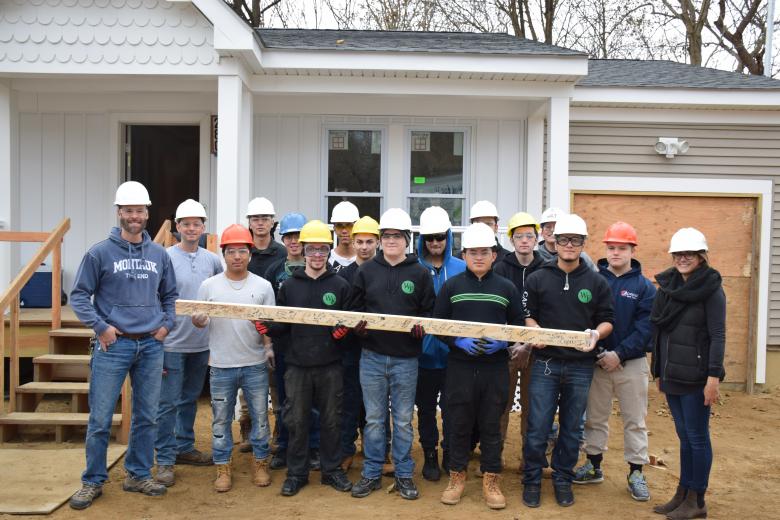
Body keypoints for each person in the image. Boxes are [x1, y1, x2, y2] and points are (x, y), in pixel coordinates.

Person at [69, 181, 178, 510]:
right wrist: (101, 327)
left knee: (147, 416)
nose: (135, 216)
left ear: (147, 213)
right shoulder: (99, 252)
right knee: (101, 418)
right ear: (119, 213)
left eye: (140, 210)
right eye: (128, 210)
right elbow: (78, 296)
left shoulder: (159, 254)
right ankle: (92, 481)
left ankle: (138, 474)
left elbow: (170, 296)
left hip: (150, 345)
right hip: (112, 347)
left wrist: (166, 325)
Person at [521, 213, 614, 509]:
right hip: (545, 364)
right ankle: (533, 480)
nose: (569, 245)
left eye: (575, 240)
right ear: (554, 242)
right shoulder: (538, 278)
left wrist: (596, 336)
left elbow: (608, 320)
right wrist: (534, 332)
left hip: (580, 366)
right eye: (564, 240)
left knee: (572, 427)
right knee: (538, 425)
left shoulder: (596, 282)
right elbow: (527, 314)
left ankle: (562, 478)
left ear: (583, 243)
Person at [258, 220, 353, 496]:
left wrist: (342, 333)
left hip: (330, 366)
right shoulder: (289, 286)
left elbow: (348, 328)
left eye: (322, 250)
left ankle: (331, 470)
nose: (316, 255)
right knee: (296, 420)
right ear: (304, 250)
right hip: (297, 366)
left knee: (332, 420)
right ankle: (297, 473)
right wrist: (268, 327)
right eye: (311, 249)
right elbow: (283, 325)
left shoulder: (340, 286)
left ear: (328, 251)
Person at [434, 223, 524, 510]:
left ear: (494, 255)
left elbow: (519, 326)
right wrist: (457, 341)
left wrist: (505, 342)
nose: (479, 257)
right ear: (464, 254)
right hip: (460, 365)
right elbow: (438, 325)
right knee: (458, 422)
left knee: (491, 424)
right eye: (473, 252)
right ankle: (457, 477)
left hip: (495, 367)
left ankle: (491, 479)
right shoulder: (452, 286)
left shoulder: (506, 288)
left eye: (485, 252)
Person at [348, 208, 435, 500]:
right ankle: (372, 472)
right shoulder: (366, 271)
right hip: (371, 356)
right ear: (380, 239)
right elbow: (354, 309)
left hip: (406, 360)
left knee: (400, 419)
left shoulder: (420, 273)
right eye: (386, 236)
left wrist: (421, 328)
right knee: (373, 419)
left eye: (397, 236)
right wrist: (358, 328)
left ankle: (404, 474)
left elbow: (428, 312)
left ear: (407, 240)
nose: (391, 240)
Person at [573, 222, 656, 502]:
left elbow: (645, 327)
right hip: (597, 362)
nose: (616, 252)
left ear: (632, 250)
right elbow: (584, 317)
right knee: (595, 418)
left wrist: (619, 353)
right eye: (611, 247)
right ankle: (594, 466)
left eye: (622, 248)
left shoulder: (645, 287)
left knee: (635, 420)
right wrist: (600, 353)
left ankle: (636, 472)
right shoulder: (593, 280)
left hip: (630, 363)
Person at [191, 224, 276, 493]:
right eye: (231, 251)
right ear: (223, 254)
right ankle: (222, 467)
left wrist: (269, 347)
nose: (237, 256)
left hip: (254, 364)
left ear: (250, 254)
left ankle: (260, 463)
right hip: (221, 365)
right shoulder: (209, 286)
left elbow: (268, 323)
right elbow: (200, 321)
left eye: (242, 251)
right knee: (220, 419)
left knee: (261, 418)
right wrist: (199, 320)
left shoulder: (262, 286)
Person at [650, 228, 725, 520]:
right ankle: (683, 492)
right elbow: (659, 332)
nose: (683, 258)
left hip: (696, 377)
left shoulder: (712, 290)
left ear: (701, 256)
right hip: (672, 374)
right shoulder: (668, 287)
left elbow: (718, 335)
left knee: (696, 436)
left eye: (689, 254)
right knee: (684, 436)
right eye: (678, 254)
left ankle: (698, 499)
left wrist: (713, 377)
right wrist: (658, 370)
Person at [154, 199, 223, 488]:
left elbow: (219, 293)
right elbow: (155, 295)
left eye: (197, 224)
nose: (192, 228)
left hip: (200, 343)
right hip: (171, 342)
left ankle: (184, 445)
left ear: (204, 228)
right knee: (167, 401)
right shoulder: (164, 257)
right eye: (186, 224)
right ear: (177, 228)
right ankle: (165, 458)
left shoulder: (212, 260)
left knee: (190, 398)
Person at [263, 213, 322, 472]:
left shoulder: (321, 269)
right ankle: (285, 446)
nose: (294, 241)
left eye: (299, 236)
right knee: (287, 400)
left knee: (315, 402)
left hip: (316, 346)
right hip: (285, 344)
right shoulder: (275, 270)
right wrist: (268, 341)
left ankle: (313, 447)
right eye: (289, 236)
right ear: (283, 239)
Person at [415, 206, 466, 481]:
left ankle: (449, 452)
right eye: (429, 238)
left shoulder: (461, 268)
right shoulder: (413, 268)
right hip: (422, 357)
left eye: (440, 237)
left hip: (453, 355)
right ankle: (430, 454)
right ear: (422, 239)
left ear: (448, 236)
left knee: (452, 409)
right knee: (424, 410)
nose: (435, 243)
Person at [493, 212, 545, 455]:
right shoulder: (500, 268)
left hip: (539, 348)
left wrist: (531, 342)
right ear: (511, 240)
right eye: (519, 236)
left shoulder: (547, 268)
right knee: (501, 403)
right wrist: (513, 341)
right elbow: (496, 308)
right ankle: (496, 454)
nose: (524, 240)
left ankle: (530, 457)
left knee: (532, 405)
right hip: (507, 348)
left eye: (529, 236)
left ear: (536, 239)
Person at [337, 216, 380, 472]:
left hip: (378, 348)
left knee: (374, 405)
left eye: (369, 242)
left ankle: (376, 450)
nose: (364, 247)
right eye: (360, 241)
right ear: (353, 242)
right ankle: (345, 450)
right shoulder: (344, 275)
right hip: (351, 350)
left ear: (377, 242)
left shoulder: (386, 272)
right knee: (349, 401)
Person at [244, 196, 286, 452]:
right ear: (249, 222)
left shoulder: (281, 253)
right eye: (255, 218)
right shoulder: (242, 250)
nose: (260, 223)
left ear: (273, 222)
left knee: (274, 384)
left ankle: (279, 435)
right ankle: (248, 431)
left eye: (264, 218)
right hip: (243, 327)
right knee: (246, 387)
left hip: (272, 329)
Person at [537, 207, 597, 271]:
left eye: (556, 226)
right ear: (542, 231)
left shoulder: (582, 257)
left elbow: (595, 278)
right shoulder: (535, 257)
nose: (552, 230)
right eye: (548, 227)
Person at [329, 201, 360, 272]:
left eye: (349, 226)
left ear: (356, 227)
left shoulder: (366, 259)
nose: (344, 231)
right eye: (339, 226)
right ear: (334, 229)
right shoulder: (326, 259)